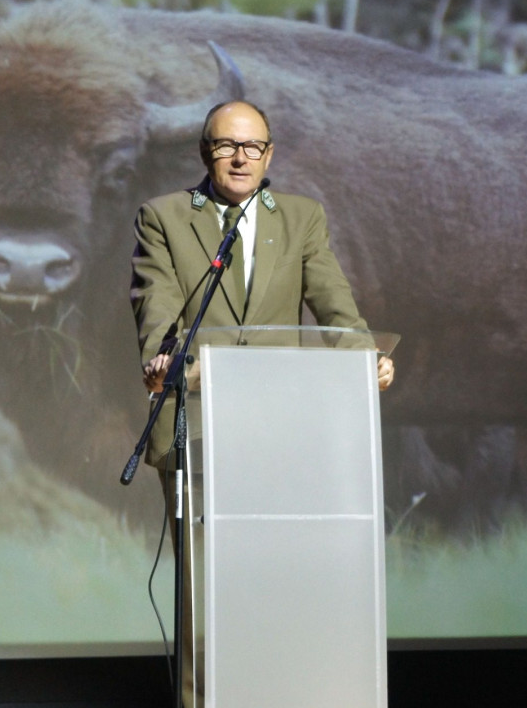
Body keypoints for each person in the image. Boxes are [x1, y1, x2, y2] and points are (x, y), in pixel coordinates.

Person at [129, 100, 394, 707]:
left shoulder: (301, 219)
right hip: (199, 430)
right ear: (206, 152)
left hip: (282, 433)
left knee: (278, 585)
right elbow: (158, 311)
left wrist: (367, 360)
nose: (241, 157)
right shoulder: (164, 217)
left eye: (253, 146)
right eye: (227, 145)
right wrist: (168, 362)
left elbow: (336, 309)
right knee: (205, 595)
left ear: (269, 154)